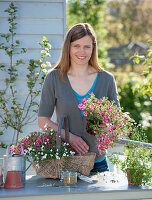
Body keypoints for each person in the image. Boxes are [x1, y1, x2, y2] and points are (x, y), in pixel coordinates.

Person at [38, 23, 120, 173]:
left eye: (87, 46)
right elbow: (43, 121)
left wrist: (107, 126)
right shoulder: (54, 78)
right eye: (76, 46)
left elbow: (116, 122)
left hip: (98, 164)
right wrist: (69, 137)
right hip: (63, 162)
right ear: (68, 47)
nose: (82, 51)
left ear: (93, 48)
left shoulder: (106, 79)